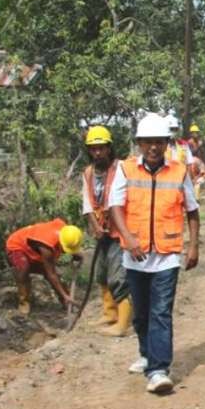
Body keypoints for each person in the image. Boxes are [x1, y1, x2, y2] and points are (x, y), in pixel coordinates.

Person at [109, 112, 200, 394]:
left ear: (166, 143)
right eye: (147, 142)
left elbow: (193, 210)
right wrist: (128, 237)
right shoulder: (125, 169)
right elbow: (115, 207)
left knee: (161, 312)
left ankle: (159, 369)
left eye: (158, 142)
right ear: (138, 143)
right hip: (134, 256)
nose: (153, 148)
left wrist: (194, 245)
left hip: (167, 255)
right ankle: (147, 353)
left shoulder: (179, 171)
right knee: (142, 314)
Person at [82, 126, 131, 337]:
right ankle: (109, 313)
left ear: (109, 148)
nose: (97, 153)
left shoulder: (121, 168)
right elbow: (87, 203)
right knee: (102, 274)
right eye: (93, 149)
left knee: (118, 277)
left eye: (101, 148)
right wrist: (94, 225)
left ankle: (123, 323)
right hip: (102, 232)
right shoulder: (88, 173)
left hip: (120, 231)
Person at [6, 219, 84, 315]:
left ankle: (66, 302)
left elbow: (66, 242)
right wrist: (65, 295)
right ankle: (24, 302)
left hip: (33, 248)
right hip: (17, 245)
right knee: (24, 269)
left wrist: (73, 252)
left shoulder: (65, 231)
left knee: (56, 276)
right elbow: (51, 274)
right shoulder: (47, 248)